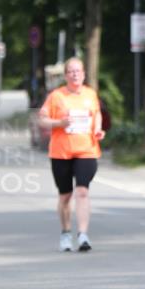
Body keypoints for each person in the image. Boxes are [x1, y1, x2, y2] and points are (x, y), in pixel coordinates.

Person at [38, 57, 105, 252]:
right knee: (65, 196)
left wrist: (98, 128)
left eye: (78, 71)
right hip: (61, 152)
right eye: (71, 71)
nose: (75, 74)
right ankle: (66, 232)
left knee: (82, 191)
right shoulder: (56, 96)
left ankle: (83, 235)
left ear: (84, 74)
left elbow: (97, 114)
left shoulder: (90, 94)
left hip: (87, 149)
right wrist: (59, 123)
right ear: (66, 75)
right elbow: (42, 120)